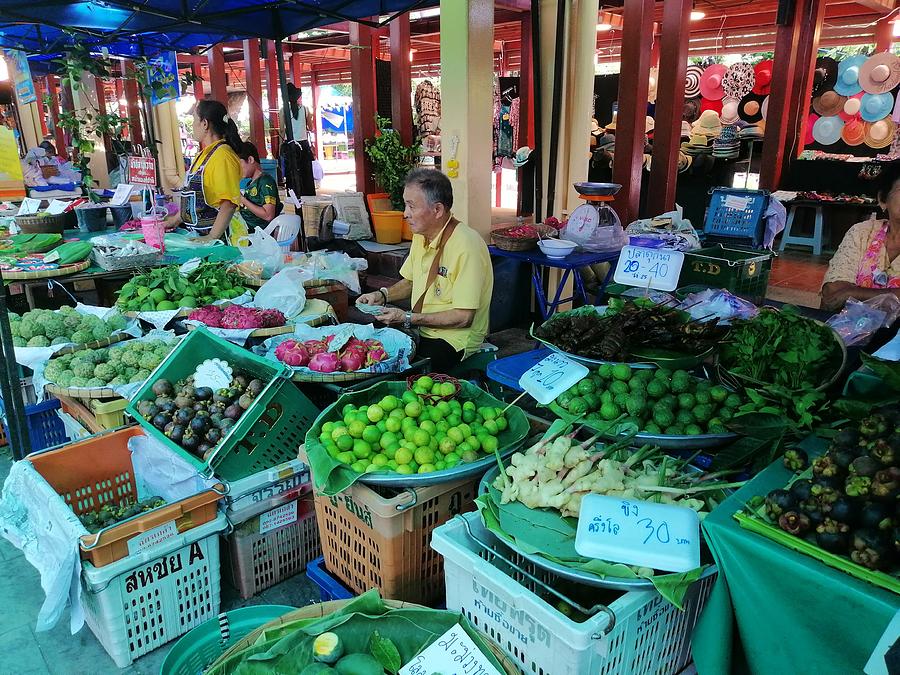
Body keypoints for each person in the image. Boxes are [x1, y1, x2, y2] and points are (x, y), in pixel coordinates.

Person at [357, 169, 493, 371]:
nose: (405, 214)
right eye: (405, 204)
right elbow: (410, 282)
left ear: (437, 210)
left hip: (454, 338)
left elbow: (464, 317)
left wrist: (407, 318)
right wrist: (382, 295)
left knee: (400, 374)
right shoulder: (421, 235)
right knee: (365, 349)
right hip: (421, 327)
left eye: (411, 206)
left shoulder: (466, 245)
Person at [822, 161, 900, 310]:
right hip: (850, 330)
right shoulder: (862, 233)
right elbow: (833, 292)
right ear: (883, 200)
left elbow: (843, 295)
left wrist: (852, 292)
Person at [167, 99, 243, 242]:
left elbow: (228, 204)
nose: (193, 125)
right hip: (199, 236)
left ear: (205, 123)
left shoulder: (222, 156)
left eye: (195, 119)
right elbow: (192, 199)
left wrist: (211, 237)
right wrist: (174, 221)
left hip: (222, 240)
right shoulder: (204, 155)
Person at [237, 141, 282, 230]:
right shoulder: (249, 183)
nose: (238, 169)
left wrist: (243, 200)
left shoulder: (266, 182)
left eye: (239, 164)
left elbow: (268, 215)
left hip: (256, 235)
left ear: (250, 159)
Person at [284, 82, 317, 196]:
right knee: (306, 172)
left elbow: (282, 132)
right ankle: (308, 194)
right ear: (297, 97)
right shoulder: (305, 109)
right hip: (303, 144)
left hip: (290, 144)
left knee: (292, 171)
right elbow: (311, 128)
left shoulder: (283, 110)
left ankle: (293, 195)